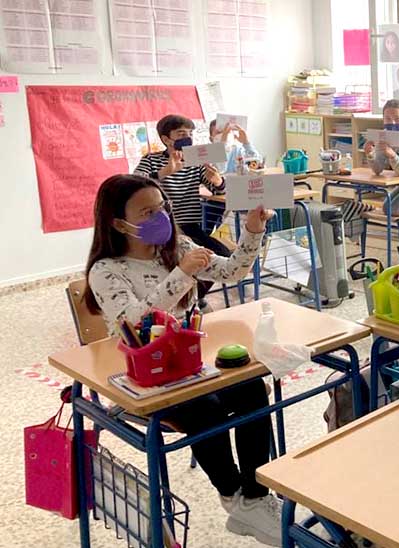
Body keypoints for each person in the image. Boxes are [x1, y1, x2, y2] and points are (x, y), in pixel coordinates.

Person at [84, 174, 282, 546]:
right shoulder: (107, 270)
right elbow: (135, 322)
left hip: (190, 366)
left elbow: (231, 271)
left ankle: (254, 497)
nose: (160, 217)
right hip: (144, 378)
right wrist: (183, 273)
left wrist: (252, 231)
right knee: (205, 410)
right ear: (117, 223)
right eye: (147, 212)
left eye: (162, 207)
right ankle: (232, 495)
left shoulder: (175, 248)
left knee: (251, 388)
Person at [133, 114, 229, 308]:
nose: (188, 137)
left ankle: (191, 298)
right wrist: (164, 172)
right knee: (189, 258)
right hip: (163, 228)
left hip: (191, 226)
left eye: (190, 133)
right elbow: (134, 184)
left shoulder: (194, 160)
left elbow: (221, 190)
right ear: (166, 139)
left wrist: (218, 181)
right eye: (181, 133)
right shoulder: (151, 160)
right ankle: (181, 299)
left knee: (221, 253)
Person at [204, 120, 262, 233]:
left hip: (242, 195)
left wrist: (246, 142)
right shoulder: (209, 153)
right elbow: (220, 169)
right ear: (211, 138)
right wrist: (223, 143)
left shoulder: (238, 150)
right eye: (219, 132)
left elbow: (256, 165)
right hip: (220, 198)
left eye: (227, 131)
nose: (224, 134)